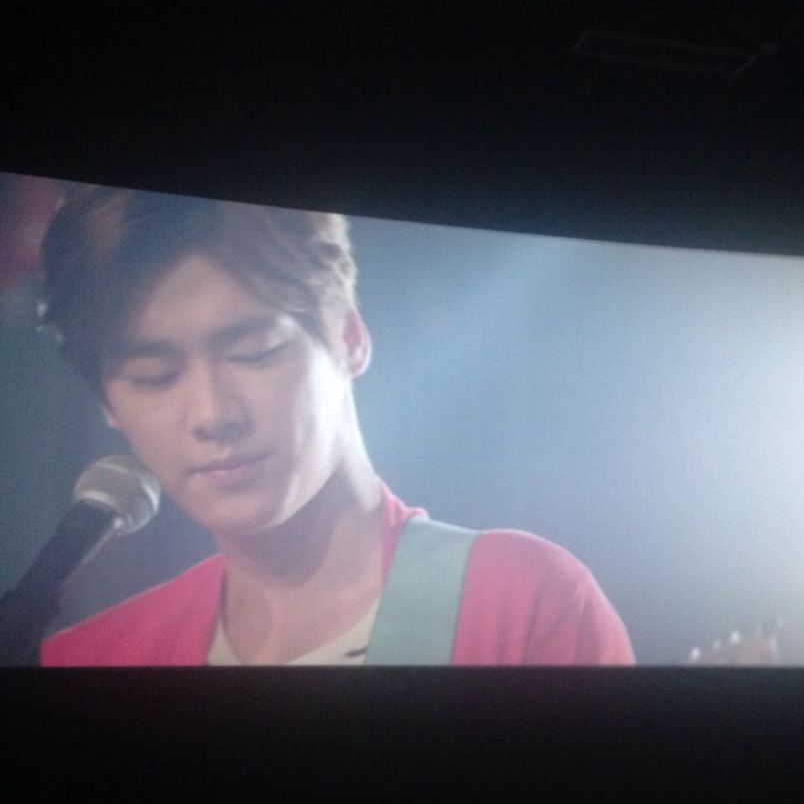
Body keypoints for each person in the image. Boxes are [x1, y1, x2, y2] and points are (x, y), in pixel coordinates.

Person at [37, 185, 635, 666]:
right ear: (107, 402)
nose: (213, 414)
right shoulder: (91, 657)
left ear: (348, 337)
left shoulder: (523, 601)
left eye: (254, 352)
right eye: (154, 376)